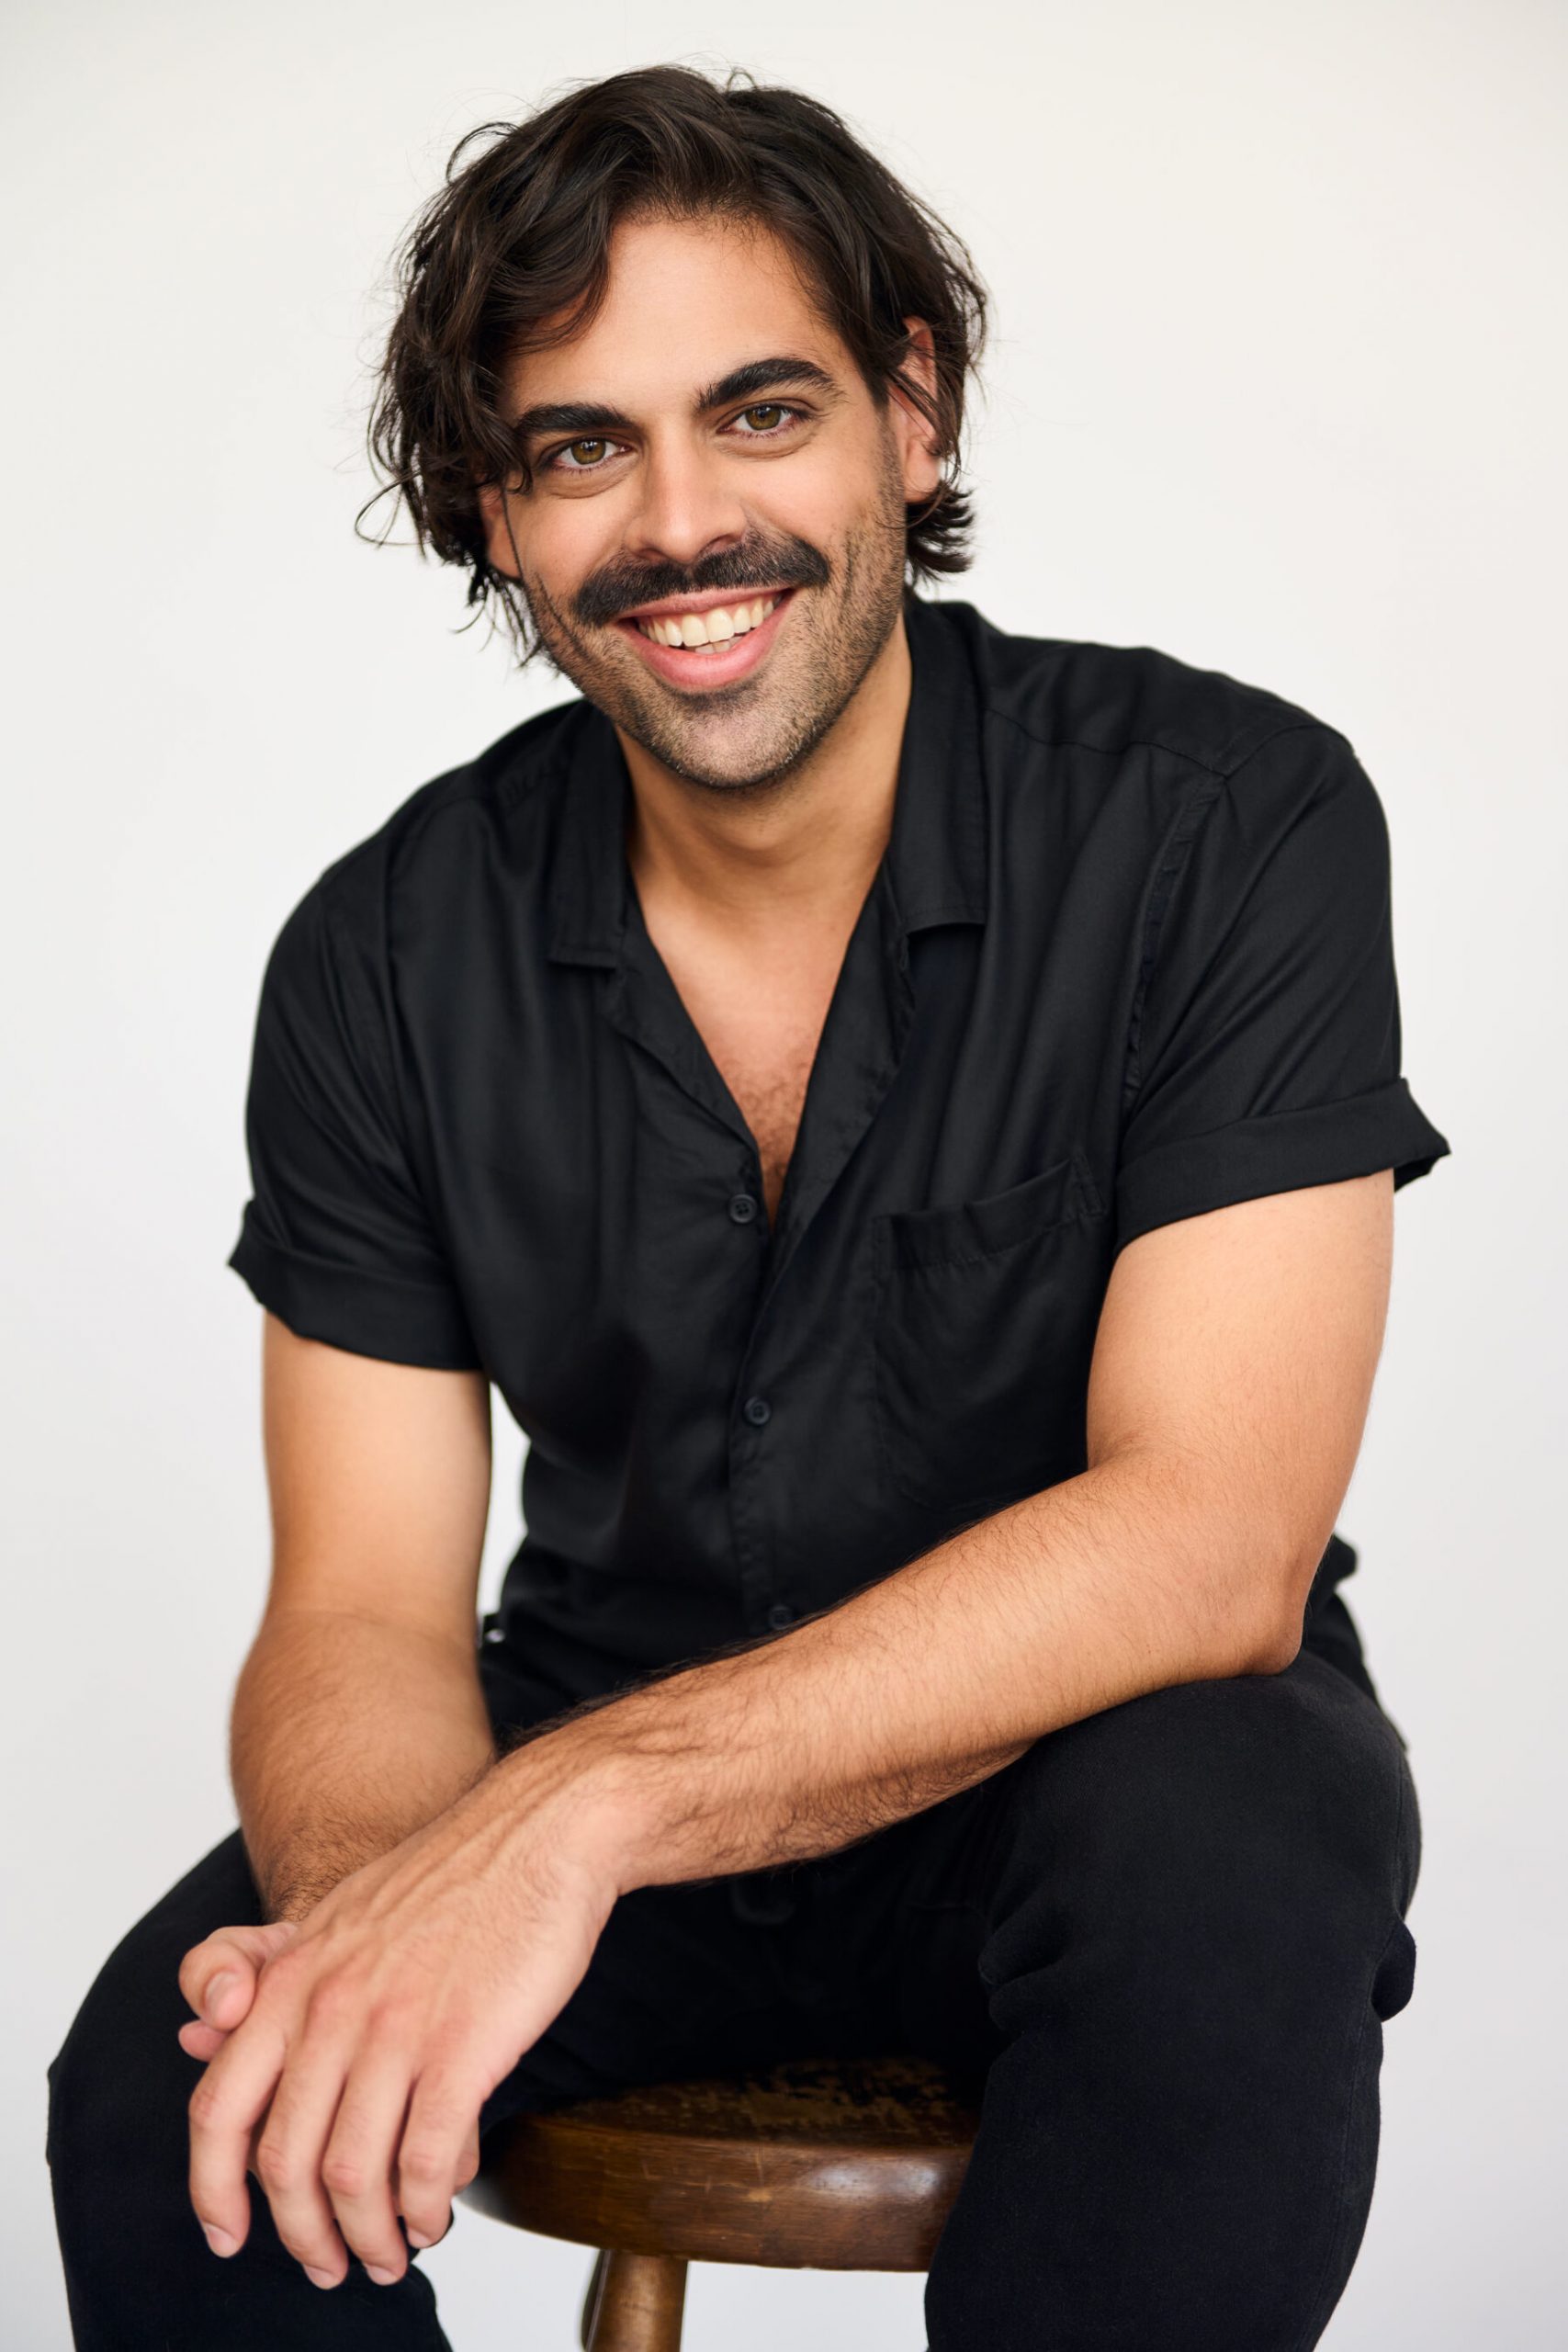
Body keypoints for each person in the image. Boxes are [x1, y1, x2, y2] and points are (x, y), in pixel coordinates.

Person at [46, 62, 1451, 2352]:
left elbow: (1210, 1536)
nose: (680, 523)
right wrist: (393, 1919)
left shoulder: (1226, 822)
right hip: (618, 1791)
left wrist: (572, 1817)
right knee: (179, 2084)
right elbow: (362, 1611)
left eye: (760, 412)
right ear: (495, 513)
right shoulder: (381, 954)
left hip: (1081, 1779)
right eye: (578, 447)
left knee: (1228, 1845)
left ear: (911, 413)